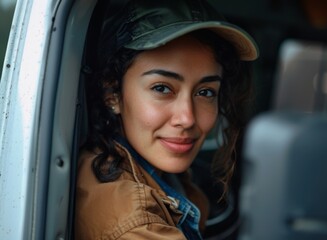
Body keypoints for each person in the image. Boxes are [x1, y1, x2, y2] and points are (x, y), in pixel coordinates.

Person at [75, 0, 258, 239]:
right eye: (162, 88)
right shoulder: (135, 224)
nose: (187, 118)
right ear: (113, 95)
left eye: (205, 92)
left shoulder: (157, 175)